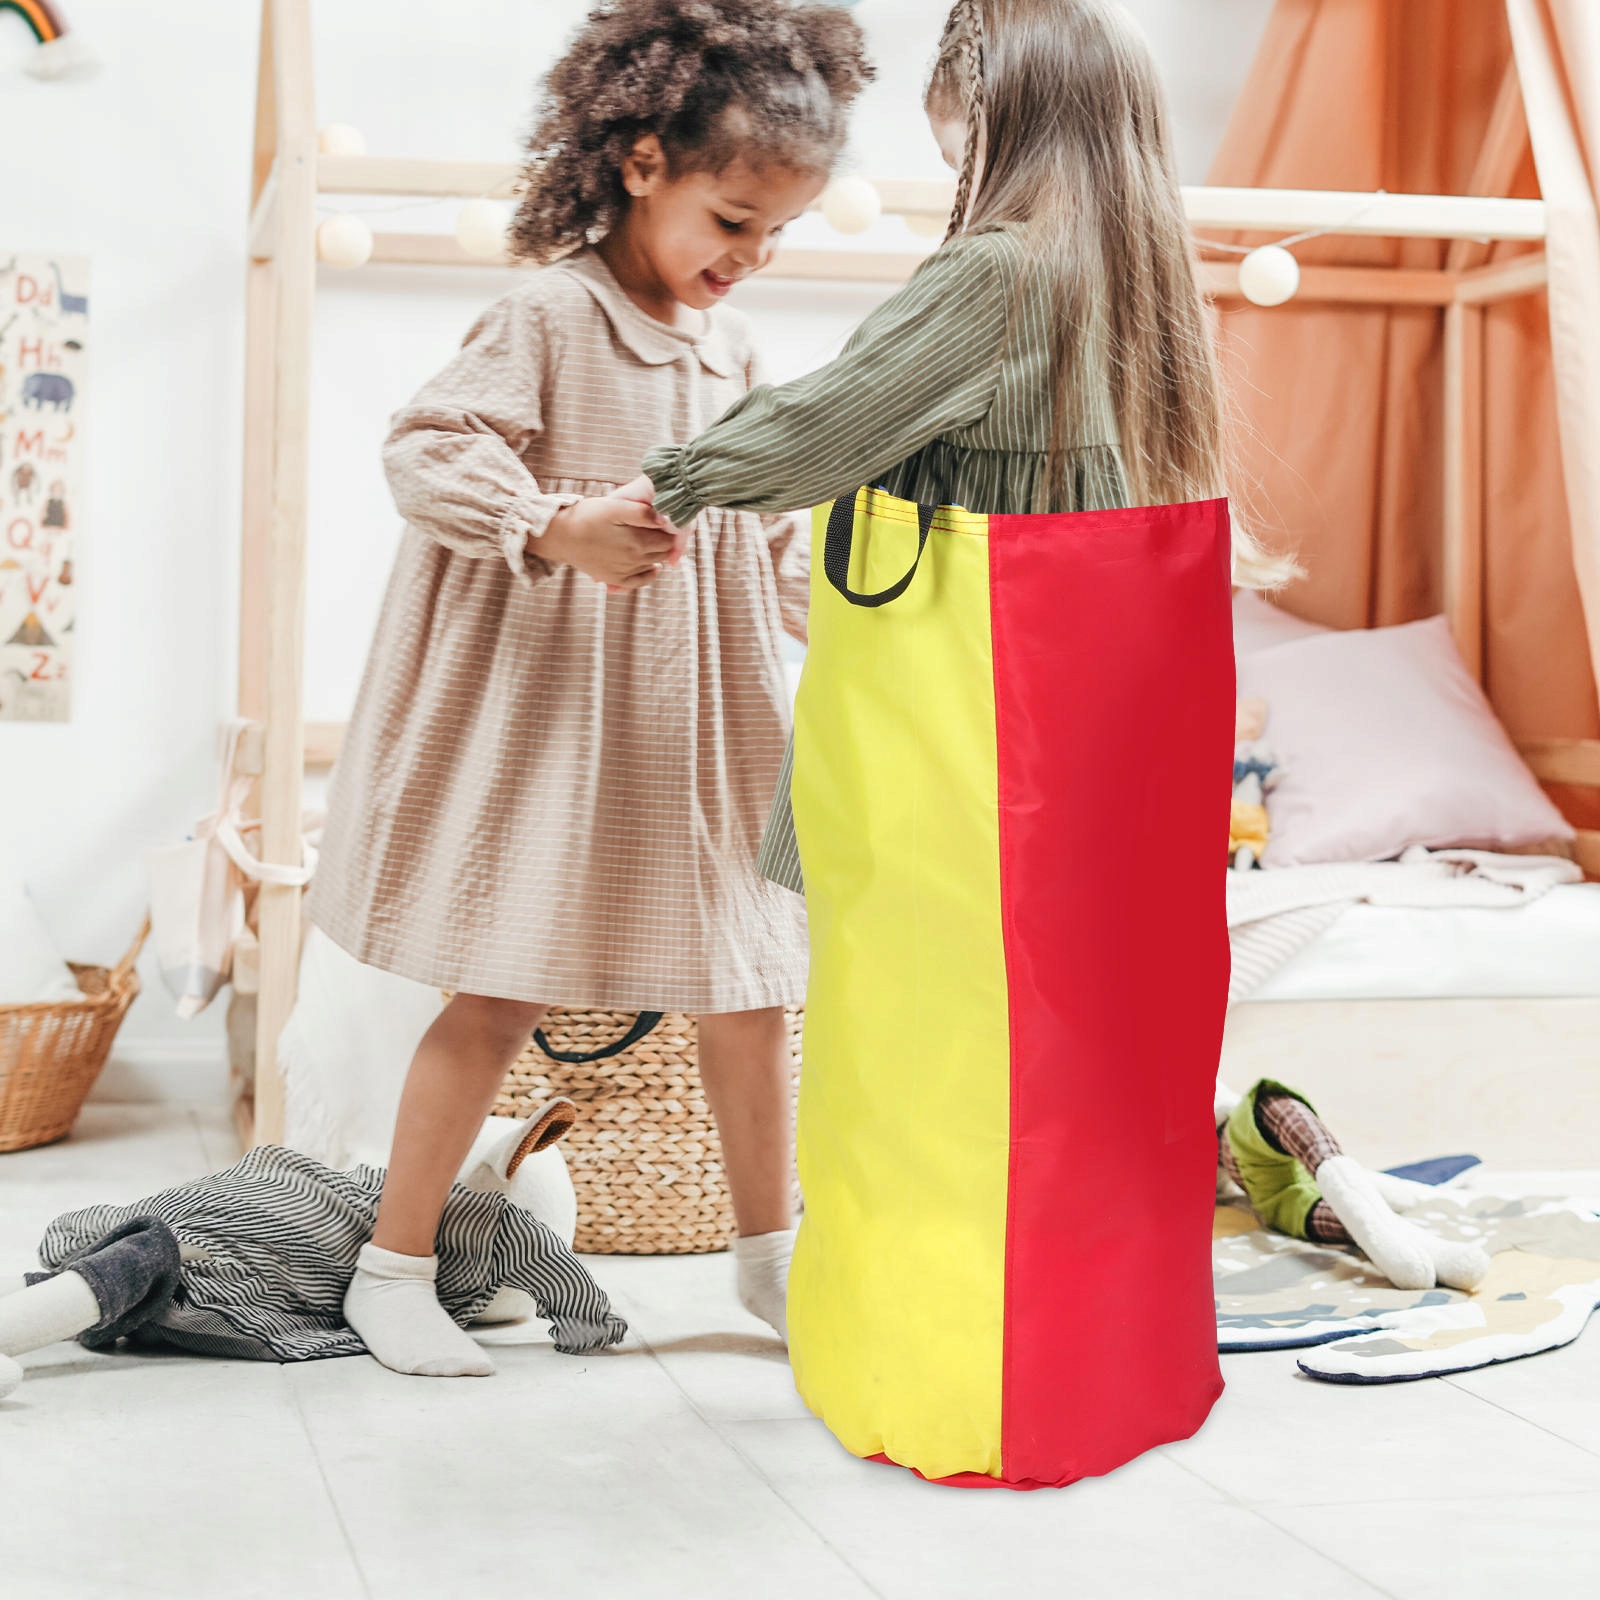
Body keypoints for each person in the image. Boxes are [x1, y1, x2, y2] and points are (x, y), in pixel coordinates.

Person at [307, 0, 872, 1377]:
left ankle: (772, 1263)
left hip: (702, 735)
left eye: (777, 232)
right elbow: (427, 448)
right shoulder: (553, 313)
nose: (752, 255)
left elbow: (765, 541)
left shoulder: (733, 351)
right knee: (499, 996)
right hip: (563, 733)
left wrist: (875, 628)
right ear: (640, 164)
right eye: (732, 220)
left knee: (751, 991)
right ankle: (393, 1269)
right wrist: (554, 526)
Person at [636, 0, 1291, 896]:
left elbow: (828, 419)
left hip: (967, 712)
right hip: (1079, 721)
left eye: (963, 163)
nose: (967, 194)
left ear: (1004, 137)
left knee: (922, 936)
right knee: (1040, 944)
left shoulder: (1002, 270)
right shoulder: (1139, 287)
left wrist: (676, 483)